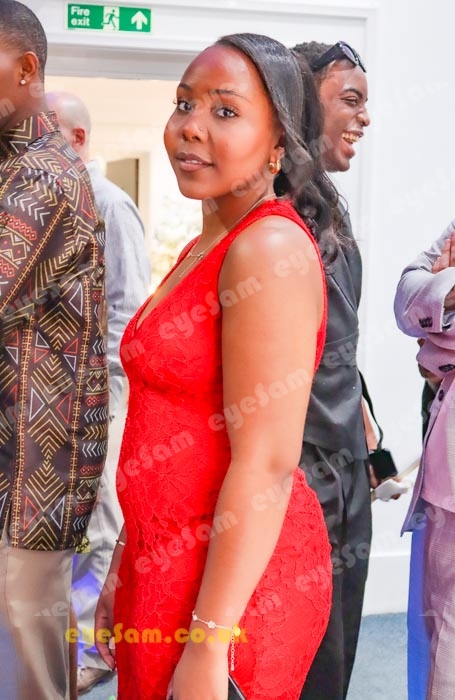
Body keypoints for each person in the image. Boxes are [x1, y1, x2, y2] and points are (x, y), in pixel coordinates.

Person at [95, 32, 339, 700]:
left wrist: (208, 642)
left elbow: (267, 464)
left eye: (224, 111)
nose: (191, 127)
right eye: (184, 104)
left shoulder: (267, 248)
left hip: (232, 591)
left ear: (279, 143)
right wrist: (125, 564)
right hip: (167, 564)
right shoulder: (205, 245)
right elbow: (166, 426)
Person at [0, 3, 108, 700]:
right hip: (18, 472)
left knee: (26, 677)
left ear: (26, 69)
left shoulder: (43, 176)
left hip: (28, 481)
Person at [46, 91, 151, 694]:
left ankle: (94, 649)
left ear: (77, 139)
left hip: (98, 394)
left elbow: (126, 313)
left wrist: (97, 395)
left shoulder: (109, 205)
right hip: (48, 397)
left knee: (100, 518)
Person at [291, 41, 372, 700]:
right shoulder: (277, 209)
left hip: (342, 468)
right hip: (300, 478)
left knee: (333, 654)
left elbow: (335, 334)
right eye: (350, 99)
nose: (363, 117)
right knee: (303, 660)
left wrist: (363, 416)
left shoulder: (326, 204)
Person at [395, 215, 455, 699]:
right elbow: (409, 297)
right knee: (440, 659)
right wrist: (449, 292)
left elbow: (432, 342)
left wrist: (440, 333)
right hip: (449, 486)